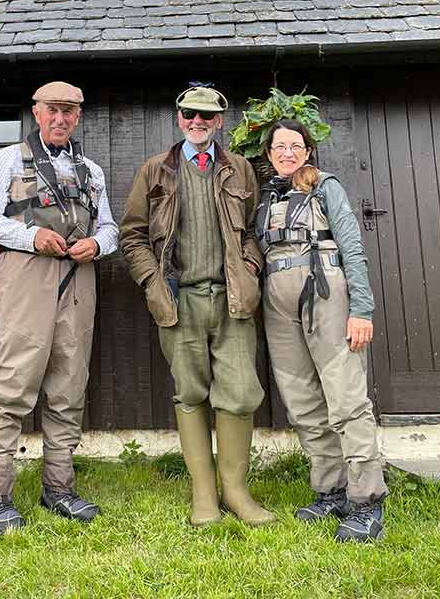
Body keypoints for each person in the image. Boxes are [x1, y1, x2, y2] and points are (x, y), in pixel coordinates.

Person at [119, 82, 274, 528]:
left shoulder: (240, 168)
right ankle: (204, 495)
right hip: (178, 298)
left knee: (240, 394)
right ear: (179, 117)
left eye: (206, 116)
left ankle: (237, 493)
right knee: (190, 394)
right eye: (190, 114)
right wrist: (152, 282)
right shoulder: (155, 170)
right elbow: (132, 235)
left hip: (232, 299)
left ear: (219, 122)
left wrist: (249, 267)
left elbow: (249, 231)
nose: (197, 122)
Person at [0, 80, 118, 535]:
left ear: (77, 116)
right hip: (26, 277)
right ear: (36, 112)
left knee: (69, 384)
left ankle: (59, 488)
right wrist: (32, 237)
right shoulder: (9, 159)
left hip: (80, 278)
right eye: (52, 110)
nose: (60, 119)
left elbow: (110, 226)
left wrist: (97, 243)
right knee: (13, 383)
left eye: (69, 112)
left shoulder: (91, 170)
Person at [255, 119, 387, 542]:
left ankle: (367, 500)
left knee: (346, 397)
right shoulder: (265, 198)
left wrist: (361, 309)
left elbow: (352, 247)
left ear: (308, 150)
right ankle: (330, 490)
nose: (288, 152)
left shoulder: (326, 186)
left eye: (296, 145)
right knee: (302, 400)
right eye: (280, 146)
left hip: (327, 295)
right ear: (270, 153)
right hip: (278, 303)